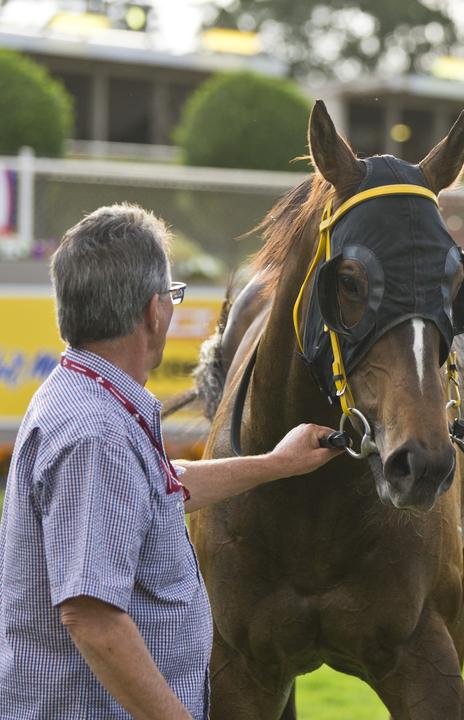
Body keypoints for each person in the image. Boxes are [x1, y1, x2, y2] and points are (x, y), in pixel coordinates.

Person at [0, 204, 343, 719]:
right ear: (152, 312)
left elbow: (159, 488)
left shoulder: (85, 396)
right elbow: (91, 616)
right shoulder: (97, 435)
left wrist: (276, 463)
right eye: (171, 297)